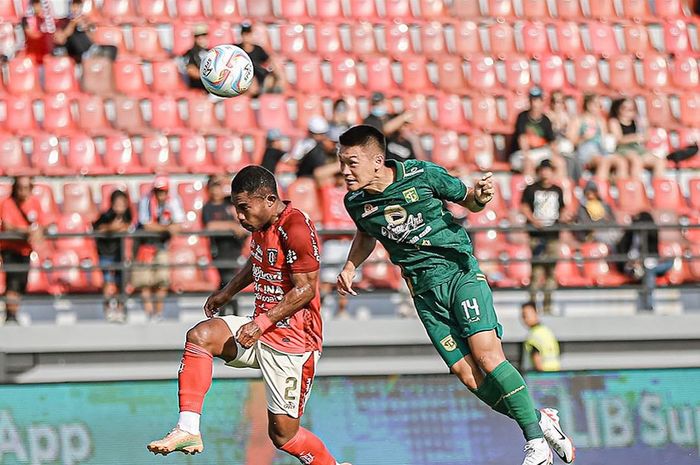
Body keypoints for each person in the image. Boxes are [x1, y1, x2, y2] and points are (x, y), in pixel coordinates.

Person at [336, 125, 574, 465]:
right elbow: (366, 234)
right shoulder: (355, 201)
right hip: (424, 293)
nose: (344, 170)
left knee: (488, 357)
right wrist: (350, 266)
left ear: (377, 160)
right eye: (341, 161)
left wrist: (480, 195)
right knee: (467, 374)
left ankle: (535, 442)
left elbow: (470, 202)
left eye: (351, 162)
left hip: (459, 273)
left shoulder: (422, 174)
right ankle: (539, 419)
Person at [147, 166, 350, 465]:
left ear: (269, 199)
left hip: (294, 345)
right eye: (236, 209)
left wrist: (262, 323)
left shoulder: (297, 227)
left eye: (244, 208)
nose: (240, 216)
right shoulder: (260, 227)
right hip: (259, 331)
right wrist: (227, 292)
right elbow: (256, 262)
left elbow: (306, 289)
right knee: (200, 336)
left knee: (283, 436)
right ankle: (187, 429)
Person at [0, 176, 53, 324]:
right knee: (13, 282)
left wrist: (38, 230)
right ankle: (10, 315)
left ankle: (14, 312)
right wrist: (28, 231)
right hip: (10, 248)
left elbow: (45, 222)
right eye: (20, 188)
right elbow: (8, 226)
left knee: (21, 283)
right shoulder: (7, 203)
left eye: (26, 188)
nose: (23, 191)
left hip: (25, 250)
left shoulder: (34, 203)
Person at [132, 175, 185, 322]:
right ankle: (150, 313)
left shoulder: (173, 201)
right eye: (158, 191)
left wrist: (162, 229)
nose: (160, 194)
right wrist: (167, 228)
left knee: (162, 279)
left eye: (163, 191)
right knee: (144, 281)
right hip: (144, 245)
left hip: (162, 245)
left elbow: (179, 225)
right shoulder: (146, 200)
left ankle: (158, 312)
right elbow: (146, 225)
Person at [520, 159, 568, 315]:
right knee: (536, 272)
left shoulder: (557, 190)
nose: (545, 173)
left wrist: (564, 217)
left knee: (551, 272)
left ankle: (547, 306)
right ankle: (532, 307)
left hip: (553, 235)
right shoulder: (531, 189)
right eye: (543, 169)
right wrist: (534, 221)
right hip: (537, 236)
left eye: (548, 169)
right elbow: (524, 206)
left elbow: (562, 209)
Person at [202, 175, 248, 316]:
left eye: (219, 186)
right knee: (228, 282)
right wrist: (231, 226)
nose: (217, 190)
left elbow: (244, 224)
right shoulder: (209, 207)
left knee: (229, 282)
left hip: (234, 249)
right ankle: (228, 313)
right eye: (214, 186)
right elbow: (210, 225)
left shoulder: (230, 206)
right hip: (220, 251)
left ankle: (225, 313)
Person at [616, 212, 673, 311]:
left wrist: (643, 261)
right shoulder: (629, 234)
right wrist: (631, 261)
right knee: (649, 272)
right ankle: (649, 305)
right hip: (632, 266)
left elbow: (653, 252)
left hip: (648, 263)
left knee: (665, 264)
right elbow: (622, 251)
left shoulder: (651, 233)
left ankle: (647, 304)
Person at [93, 190, 132, 323]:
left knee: (121, 282)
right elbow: (98, 228)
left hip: (120, 254)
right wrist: (113, 228)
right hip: (106, 253)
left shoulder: (128, 216)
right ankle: (108, 308)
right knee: (108, 281)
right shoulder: (106, 216)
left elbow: (129, 227)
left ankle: (121, 309)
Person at [567, 94, 628, 180]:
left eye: (600, 105)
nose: (599, 108)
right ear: (588, 104)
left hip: (600, 150)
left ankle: (622, 188)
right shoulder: (578, 120)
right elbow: (571, 141)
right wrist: (584, 137)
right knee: (604, 162)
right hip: (586, 150)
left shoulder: (600, 121)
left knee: (622, 162)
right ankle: (600, 189)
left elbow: (604, 140)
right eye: (597, 104)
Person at [509, 87, 565, 179]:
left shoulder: (546, 120)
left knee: (560, 163)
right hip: (521, 154)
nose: (534, 104)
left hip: (540, 152)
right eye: (533, 100)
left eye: (537, 100)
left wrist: (556, 154)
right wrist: (527, 154)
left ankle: (555, 188)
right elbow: (522, 139)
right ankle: (531, 190)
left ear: (542, 102)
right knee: (528, 163)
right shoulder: (522, 117)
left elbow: (552, 142)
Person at [608, 97, 665, 179]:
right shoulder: (614, 121)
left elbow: (646, 138)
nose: (629, 111)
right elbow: (619, 140)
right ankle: (634, 186)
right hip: (623, 149)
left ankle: (657, 186)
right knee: (636, 161)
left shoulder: (636, 122)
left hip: (637, 148)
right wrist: (635, 137)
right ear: (618, 109)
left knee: (660, 162)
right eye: (625, 108)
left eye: (631, 108)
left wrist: (646, 127)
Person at [52, 0, 117, 63]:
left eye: (78, 6)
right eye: (73, 6)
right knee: (75, 36)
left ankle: (92, 53)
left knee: (111, 49)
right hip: (72, 51)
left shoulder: (85, 20)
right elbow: (60, 39)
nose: (75, 9)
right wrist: (73, 24)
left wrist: (87, 28)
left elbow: (93, 39)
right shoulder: (62, 21)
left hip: (86, 50)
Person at [289, 116, 338, 184]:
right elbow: (295, 161)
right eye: (317, 134)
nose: (321, 137)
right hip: (307, 179)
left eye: (323, 134)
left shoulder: (326, 146)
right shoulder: (308, 146)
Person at [575, 181, 621, 249]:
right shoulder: (583, 206)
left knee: (617, 233)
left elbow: (612, 219)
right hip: (593, 233)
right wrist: (602, 222)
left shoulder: (604, 204)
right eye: (588, 191)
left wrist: (607, 222)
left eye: (593, 191)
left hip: (606, 230)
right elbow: (585, 223)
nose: (591, 194)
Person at [236, 22, 279, 95]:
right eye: (245, 34)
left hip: (259, 75)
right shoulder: (236, 49)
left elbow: (269, 60)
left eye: (249, 34)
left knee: (270, 79)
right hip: (243, 77)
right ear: (242, 35)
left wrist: (274, 72)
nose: (247, 37)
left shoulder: (258, 49)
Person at [520, 301, 561, 372]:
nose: (524, 319)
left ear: (535, 313)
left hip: (541, 377)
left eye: (525, 315)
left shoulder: (533, 336)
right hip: (556, 374)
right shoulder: (547, 331)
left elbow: (536, 358)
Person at [22, 0, 65, 65]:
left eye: (39, 5)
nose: (37, 7)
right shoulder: (27, 20)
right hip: (34, 51)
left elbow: (59, 38)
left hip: (46, 51)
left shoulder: (48, 20)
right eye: (35, 5)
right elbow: (32, 34)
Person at [182, 24, 209, 91]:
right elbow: (191, 70)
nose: (201, 38)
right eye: (198, 36)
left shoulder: (211, 51)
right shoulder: (190, 53)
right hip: (198, 88)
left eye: (204, 35)